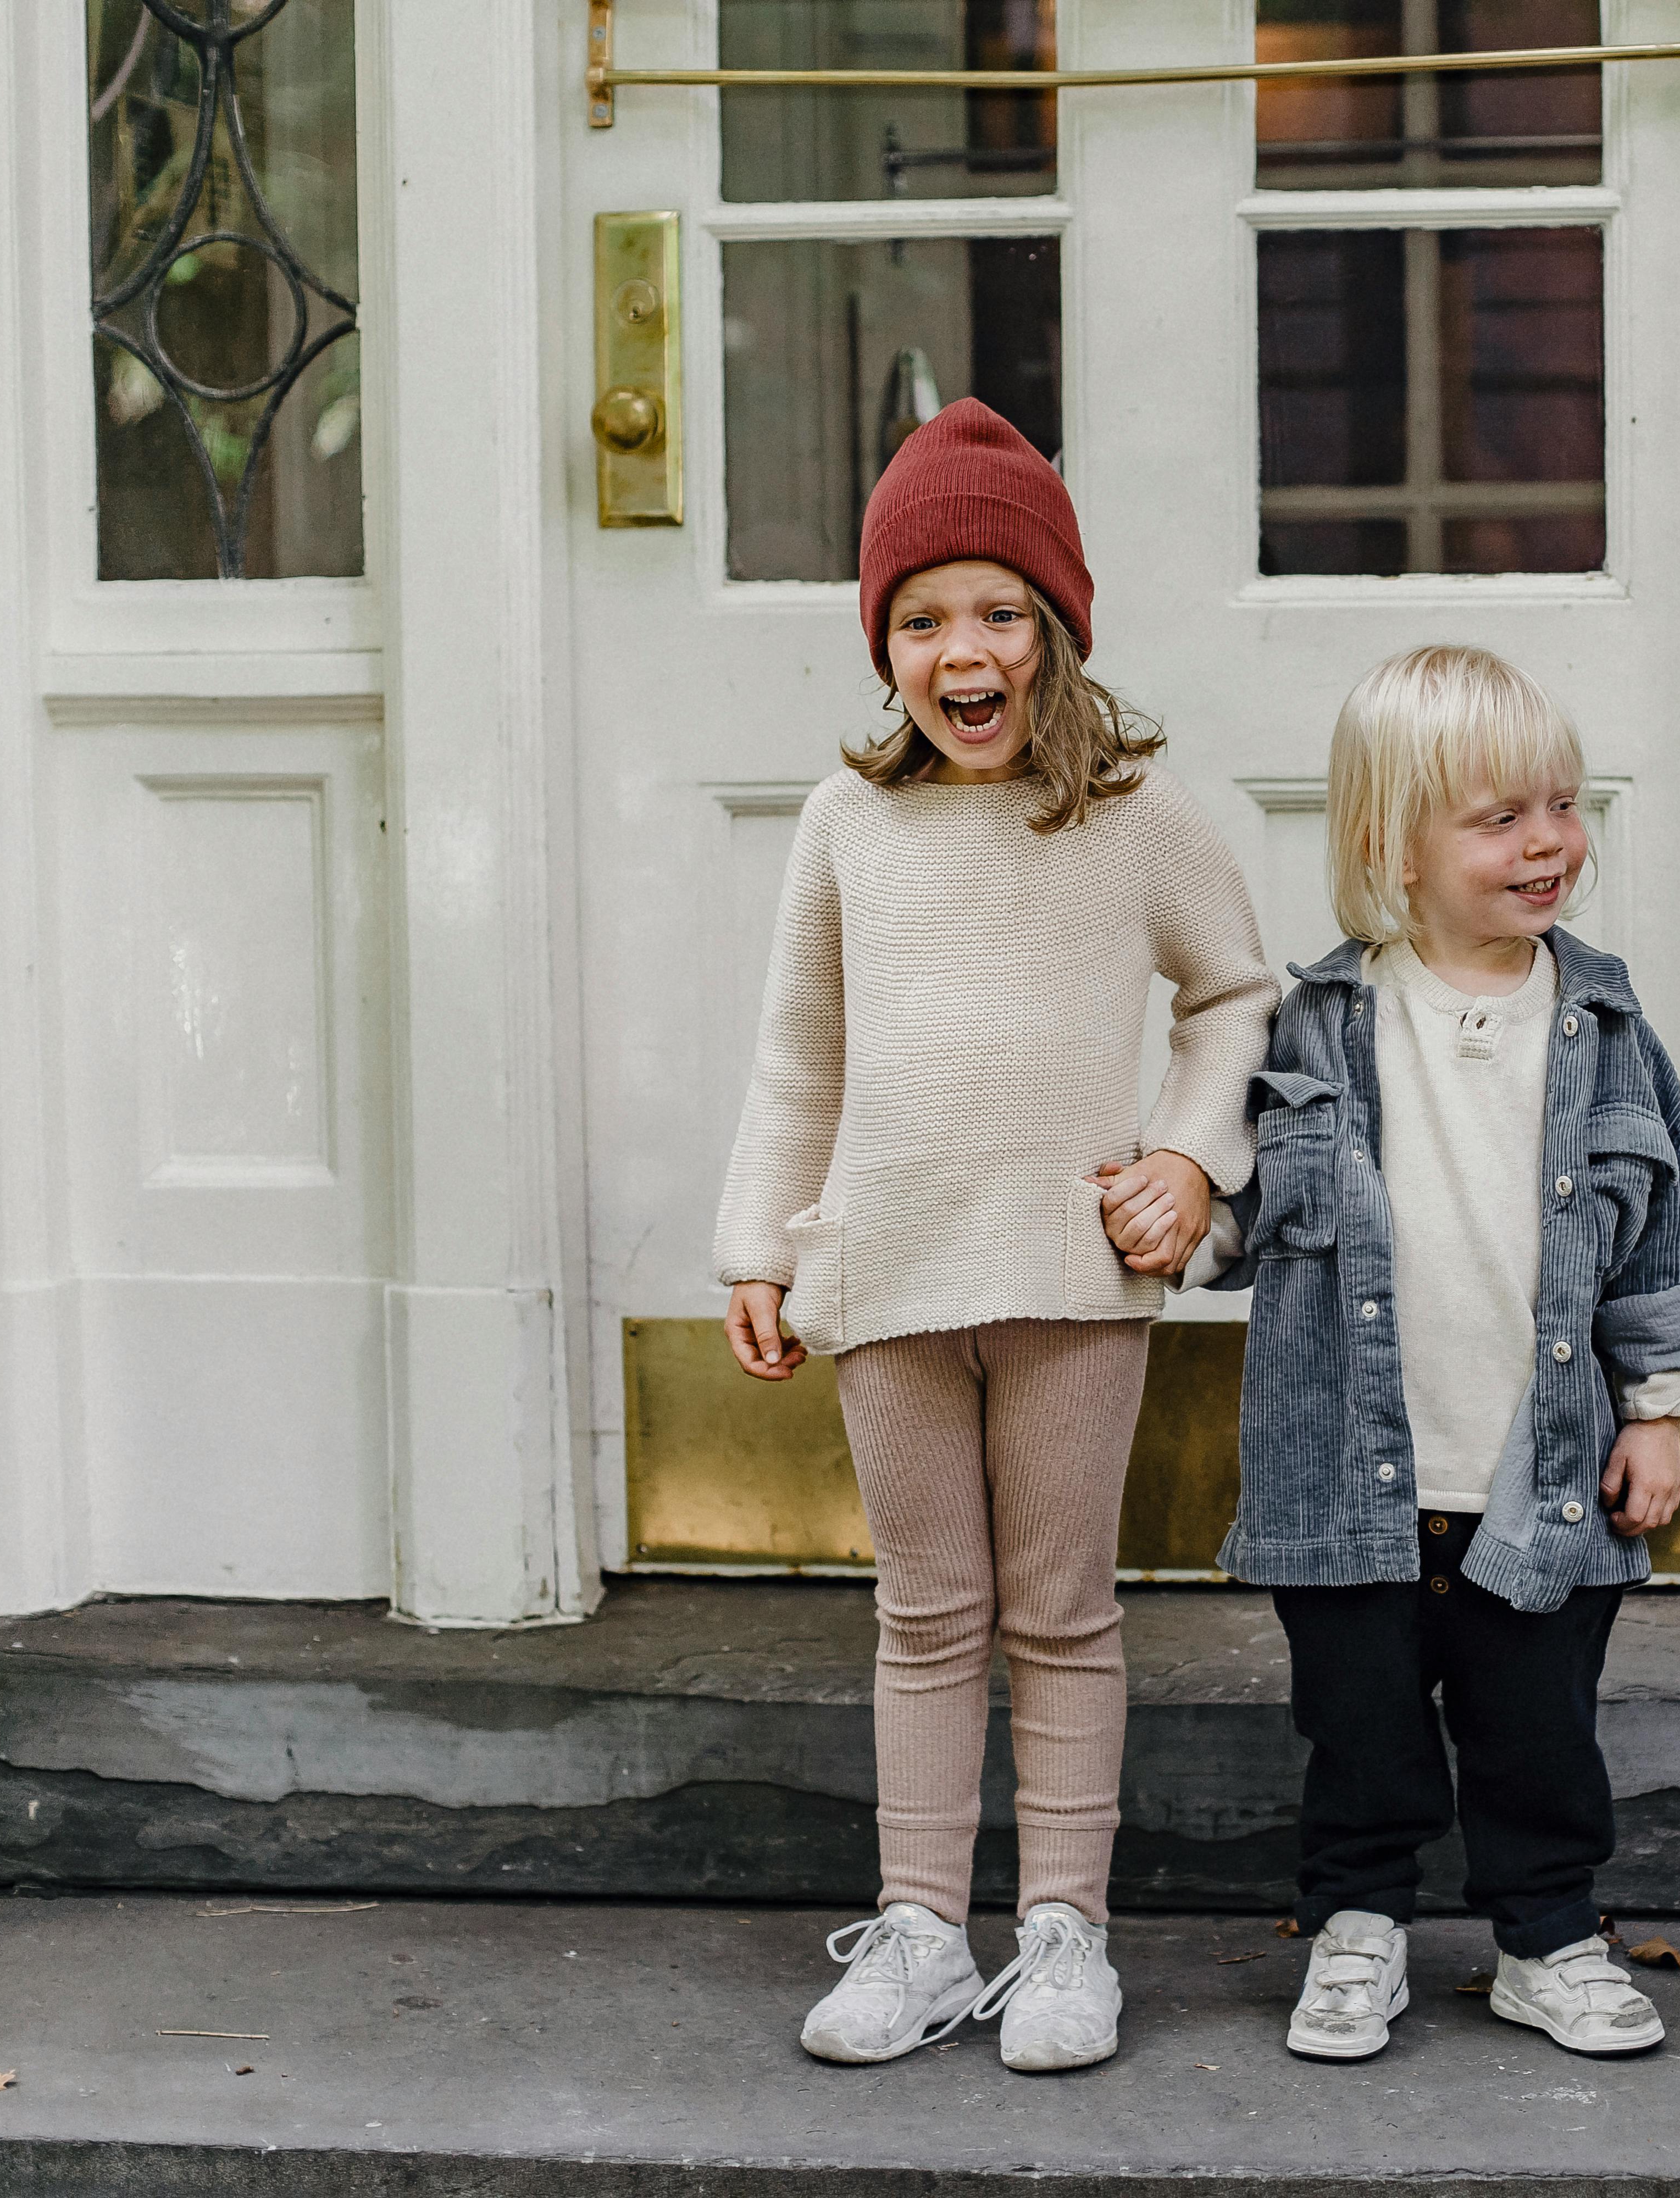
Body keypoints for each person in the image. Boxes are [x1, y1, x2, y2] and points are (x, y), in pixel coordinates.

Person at [713, 399, 1274, 2074]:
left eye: (1000, 614)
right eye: (923, 618)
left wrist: (1187, 1163)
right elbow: (797, 1050)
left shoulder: (1140, 819)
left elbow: (1238, 996)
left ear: (1058, 634)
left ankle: (1067, 1935)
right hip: (883, 1273)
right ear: (885, 646)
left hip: (1070, 1281)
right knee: (925, 1607)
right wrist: (761, 1240)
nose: (965, 650)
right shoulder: (847, 822)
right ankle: (918, 1933)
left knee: (1063, 1609)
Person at [1199, 643, 1680, 2062]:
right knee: (1358, 1727)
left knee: (1536, 1732)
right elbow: (1229, 1212)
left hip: (1538, 1468)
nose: (1549, 838)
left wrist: (1660, 1411)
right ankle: (1357, 1925)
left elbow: (1657, 1237)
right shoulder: (1316, 1025)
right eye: (1501, 817)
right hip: (1349, 1471)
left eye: (1561, 802)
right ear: (1394, 846)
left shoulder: (1609, 1029)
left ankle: (1548, 1934)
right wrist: (1169, 1195)